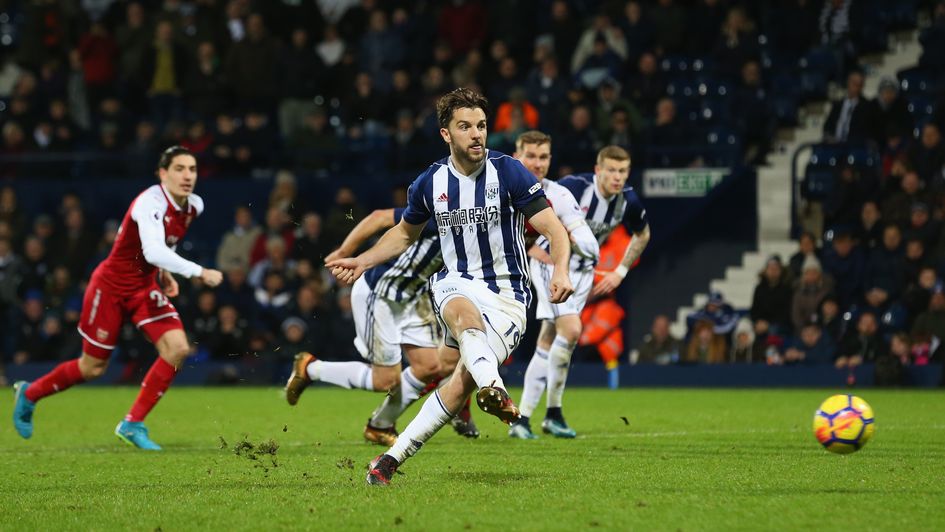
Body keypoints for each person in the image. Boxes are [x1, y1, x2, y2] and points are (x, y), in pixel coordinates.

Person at [326, 88, 574, 485]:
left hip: (509, 296)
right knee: (460, 311)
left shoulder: (509, 172)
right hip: (456, 282)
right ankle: (494, 388)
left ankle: (389, 459)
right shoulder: (430, 182)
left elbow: (554, 229)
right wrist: (362, 259)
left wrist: (561, 271)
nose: (476, 134)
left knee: (458, 386)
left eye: (481, 126)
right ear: (446, 134)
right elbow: (403, 234)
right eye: (465, 126)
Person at [11, 147, 224, 450]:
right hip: (110, 287)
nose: (187, 175)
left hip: (144, 287)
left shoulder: (194, 206)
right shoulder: (149, 202)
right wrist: (199, 272)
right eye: (179, 169)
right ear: (162, 173)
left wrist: (164, 273)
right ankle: (30, 393)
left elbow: (166, 244)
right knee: (92, 368)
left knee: (177, 348)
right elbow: (153, 250)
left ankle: (132, 424)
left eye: (192, 169)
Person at [511, 141, 650, 439]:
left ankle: (525, 419)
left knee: (549, 339)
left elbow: (643, 234)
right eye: (611, 170)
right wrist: (532, 248)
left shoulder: (628, 201)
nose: (617, 177)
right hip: (551, 264)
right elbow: (534, 212)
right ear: (598, 170)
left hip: (584, 271)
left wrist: (620, 271)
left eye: (623, 171)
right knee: (572, 330)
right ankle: (552, 413)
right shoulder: (573, 187)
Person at [284, 205, 452, 445]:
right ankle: (311, 368)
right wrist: (344, 251)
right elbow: (379, 217)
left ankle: (379, 425)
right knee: (385, 381)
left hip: (413, 298)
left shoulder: (474, 223)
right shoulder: (441, 214)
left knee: (429, 367)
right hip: (380, 293)